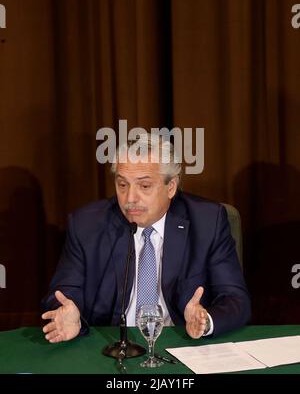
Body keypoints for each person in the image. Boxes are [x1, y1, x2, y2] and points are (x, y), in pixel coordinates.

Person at [41, 134, 251, 343]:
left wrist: (205, 321)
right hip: (110, 345)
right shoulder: (86, 224)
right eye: (122, 185)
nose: (130, 198)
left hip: (180, 341)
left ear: (171, 187)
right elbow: (64, 293)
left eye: (144, 186)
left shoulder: (207, 222)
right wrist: (68, 313)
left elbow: (236, 300)